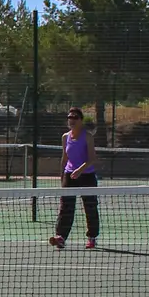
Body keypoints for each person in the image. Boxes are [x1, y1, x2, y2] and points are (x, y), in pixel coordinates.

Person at [48, 107, 99, 250]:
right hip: (69, 175)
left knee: (90, 207)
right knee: (66, 207)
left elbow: (92, 158)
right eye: (69, 117)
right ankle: (61, 237)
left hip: (87, 176)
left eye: (75, 117)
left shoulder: (87, 136)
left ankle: (92, 237)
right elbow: (64, 158)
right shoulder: (65, 137)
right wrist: (62, 176)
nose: (72, 120)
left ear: (81, 120)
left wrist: (80, 170)